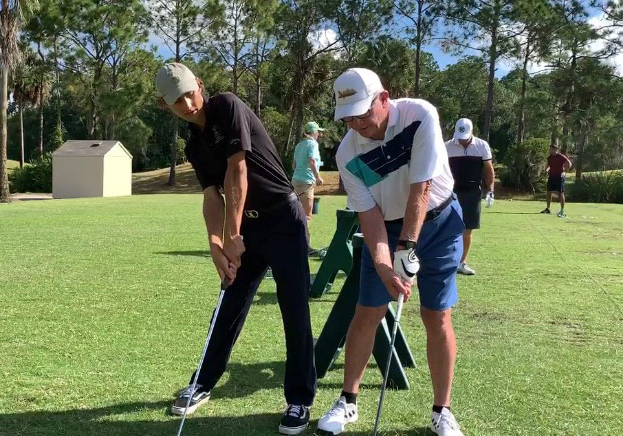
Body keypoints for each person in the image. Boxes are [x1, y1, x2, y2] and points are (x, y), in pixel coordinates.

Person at [155, 62, 316, 435]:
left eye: (189, 92)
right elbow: (213, 196)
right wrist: (216, 246)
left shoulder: (227, 106)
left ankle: (299, 400)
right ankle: (202, 383)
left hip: (284, 219)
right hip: (250, 228)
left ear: (200, 84)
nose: (188, 102)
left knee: (294, 310)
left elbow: (237, 172)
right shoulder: (194, 145)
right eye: (176, 100)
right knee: (228, 305)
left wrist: (232, 233)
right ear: (165, 106)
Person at [317, 68, 465, 436]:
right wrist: (385, 266)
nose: (356, 123)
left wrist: (408, 248)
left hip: (440, 222)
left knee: (437, 316)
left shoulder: (419, 115)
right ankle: (347, 402)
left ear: (384, 98)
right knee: (367, 311)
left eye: (363, 113)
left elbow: (422, 189)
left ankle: (441, 411)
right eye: (348, 117)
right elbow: (368, 216)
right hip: (387, 226)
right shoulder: (348, 154)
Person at [445, 118, 495, 276]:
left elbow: (488, 170)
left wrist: (490, 190)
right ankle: (446, 262)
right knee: (448, 229)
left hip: (472, 192)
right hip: (450, 193)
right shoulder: (447, 147)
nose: (462, 140)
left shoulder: (481, 146)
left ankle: (461, 262)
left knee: (467, 230)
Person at [292, 121, 325, 254]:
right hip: (307, 182)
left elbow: (294, 165)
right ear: (314, 132)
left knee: (296, 214)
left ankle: (296, 244)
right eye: (318, 132)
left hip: (295, 181)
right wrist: (317, 177)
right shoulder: (312, 144)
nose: (319, 134)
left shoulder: (299, 145)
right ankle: (305, 246)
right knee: (306, 216)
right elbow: (312, 160)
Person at [542, 144, 571, 218]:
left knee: (560, 193)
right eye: (549, 149)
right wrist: (546, 170)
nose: (549, 151)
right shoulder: (549, 158)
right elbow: (548, 166)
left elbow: (569, 163)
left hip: (559, 177)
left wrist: (565, 172)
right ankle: (548, 209)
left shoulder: (561, 156)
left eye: (551, 149)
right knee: (549, 192)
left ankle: (562, 210)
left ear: (555, 150)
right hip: (551, 177)